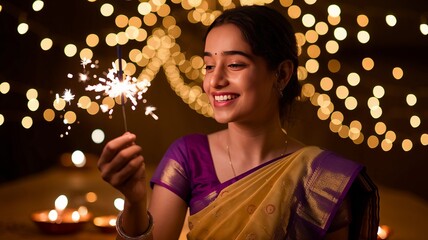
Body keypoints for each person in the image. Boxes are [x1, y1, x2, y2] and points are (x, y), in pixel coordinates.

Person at [98, 5, 379, 240]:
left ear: (281, 74)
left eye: (234, 65)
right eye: (209, 66)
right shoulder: (188, 156)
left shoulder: (322, 179)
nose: (215, 81)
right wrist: (135, 202)